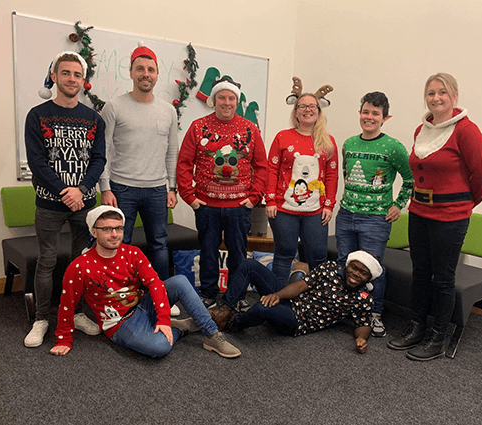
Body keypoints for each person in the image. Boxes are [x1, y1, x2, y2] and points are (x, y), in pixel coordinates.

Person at [387, 73, 482, 361]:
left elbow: (481, 175)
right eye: (430, 93)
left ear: (454, 96)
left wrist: (464, 205)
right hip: (419, 212)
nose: (436, 98)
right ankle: (417, 328)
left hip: (450, 217)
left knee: (443, 278)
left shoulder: (466, 131)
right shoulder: (423, 129)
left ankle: (438, 337)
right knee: (420, 273)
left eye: (442, 92)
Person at [49, 206, 241, 359]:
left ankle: (212, 335)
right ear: (94, 231)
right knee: (159, 347)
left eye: (118, 228)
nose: (114, 234)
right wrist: (63, 339)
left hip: (142, 305)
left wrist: (163, 318)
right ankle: (180, 328)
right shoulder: (80, 266)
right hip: (119, 324)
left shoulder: (132, 253)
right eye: (107, 229)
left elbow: (155, 284)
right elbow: (67, 305)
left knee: (180, 281)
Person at [24, 51, 106, 348]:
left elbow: (99, 159)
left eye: (77, 75)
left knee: (82, 262)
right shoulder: (37, 115)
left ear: (84, 82)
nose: (72, 79)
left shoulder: (93, 119)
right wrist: (65, 191)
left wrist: (81, 190)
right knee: (46, 262)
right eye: (66, 73)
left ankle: (78, 314)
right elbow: (37, 162)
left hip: (84, 205)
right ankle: (42, 319)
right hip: (49, 204)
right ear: (54, 77)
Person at [177, 76, 268, 307]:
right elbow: (184, 163)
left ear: (236, 102)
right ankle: (208, 294)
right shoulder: (198, 127)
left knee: (238, 253)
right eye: (221, 98)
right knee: (208, 251)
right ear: (214, 100)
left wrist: (254, 197)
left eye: (231, 98)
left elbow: (261, 166)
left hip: (239, 207)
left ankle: (236, 296)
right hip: (207, 206)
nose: (226, 102)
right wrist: (190, 197)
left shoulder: (250, 129)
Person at [335, 92, 414, 338]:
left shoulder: (393, 148)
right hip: (346, 214)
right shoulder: (348, 144)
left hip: (375, 219)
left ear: (385, 118)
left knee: (373, 268)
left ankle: (374, 314)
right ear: (360, 113)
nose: (369, 117)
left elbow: (410, 178)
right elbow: (347, 175)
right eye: (366, 112)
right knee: (344, 263)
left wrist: (399, 204)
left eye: (375, 114)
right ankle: (346, 308)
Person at [99, 45, 178, 281]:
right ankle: (120, 295)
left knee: (159, 245)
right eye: (140, 68)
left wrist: (171, 187)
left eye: (151, 69)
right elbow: (103, 149)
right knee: (120, 244)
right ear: (131, 72)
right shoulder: (114, 106)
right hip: (122, 188)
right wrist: (105, 187)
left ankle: (162, 296)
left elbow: (171, 151)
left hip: (156, 190)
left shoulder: (168, 110)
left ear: (156, 75)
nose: (146, 74)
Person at [208, 251, 382, 354]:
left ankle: (232, 324)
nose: (356, 274)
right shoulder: (330, 268)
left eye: (363, 273)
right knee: (248, 264)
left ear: (369, 277)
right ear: (349, 264)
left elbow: (363, 323)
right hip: (292, 298)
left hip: (298, 320)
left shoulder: (363, 298)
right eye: (354, 268)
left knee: (262, 307)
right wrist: (278, 295)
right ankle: (225, 309)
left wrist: (361, 338)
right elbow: (300, 285)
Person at [265, 79, 338, 289]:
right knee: (283, 254)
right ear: (296, 112)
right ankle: (277, 299)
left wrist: (329, 205)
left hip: (316, 211)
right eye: (302, 106)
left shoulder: (327, 141)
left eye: (312, 106)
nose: (307, 110)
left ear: (319, 111)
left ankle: (317, 302)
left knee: (317, 257)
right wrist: (269, 199)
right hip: (283, 208)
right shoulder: (283, 137)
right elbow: (272, 169)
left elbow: (332, 176)